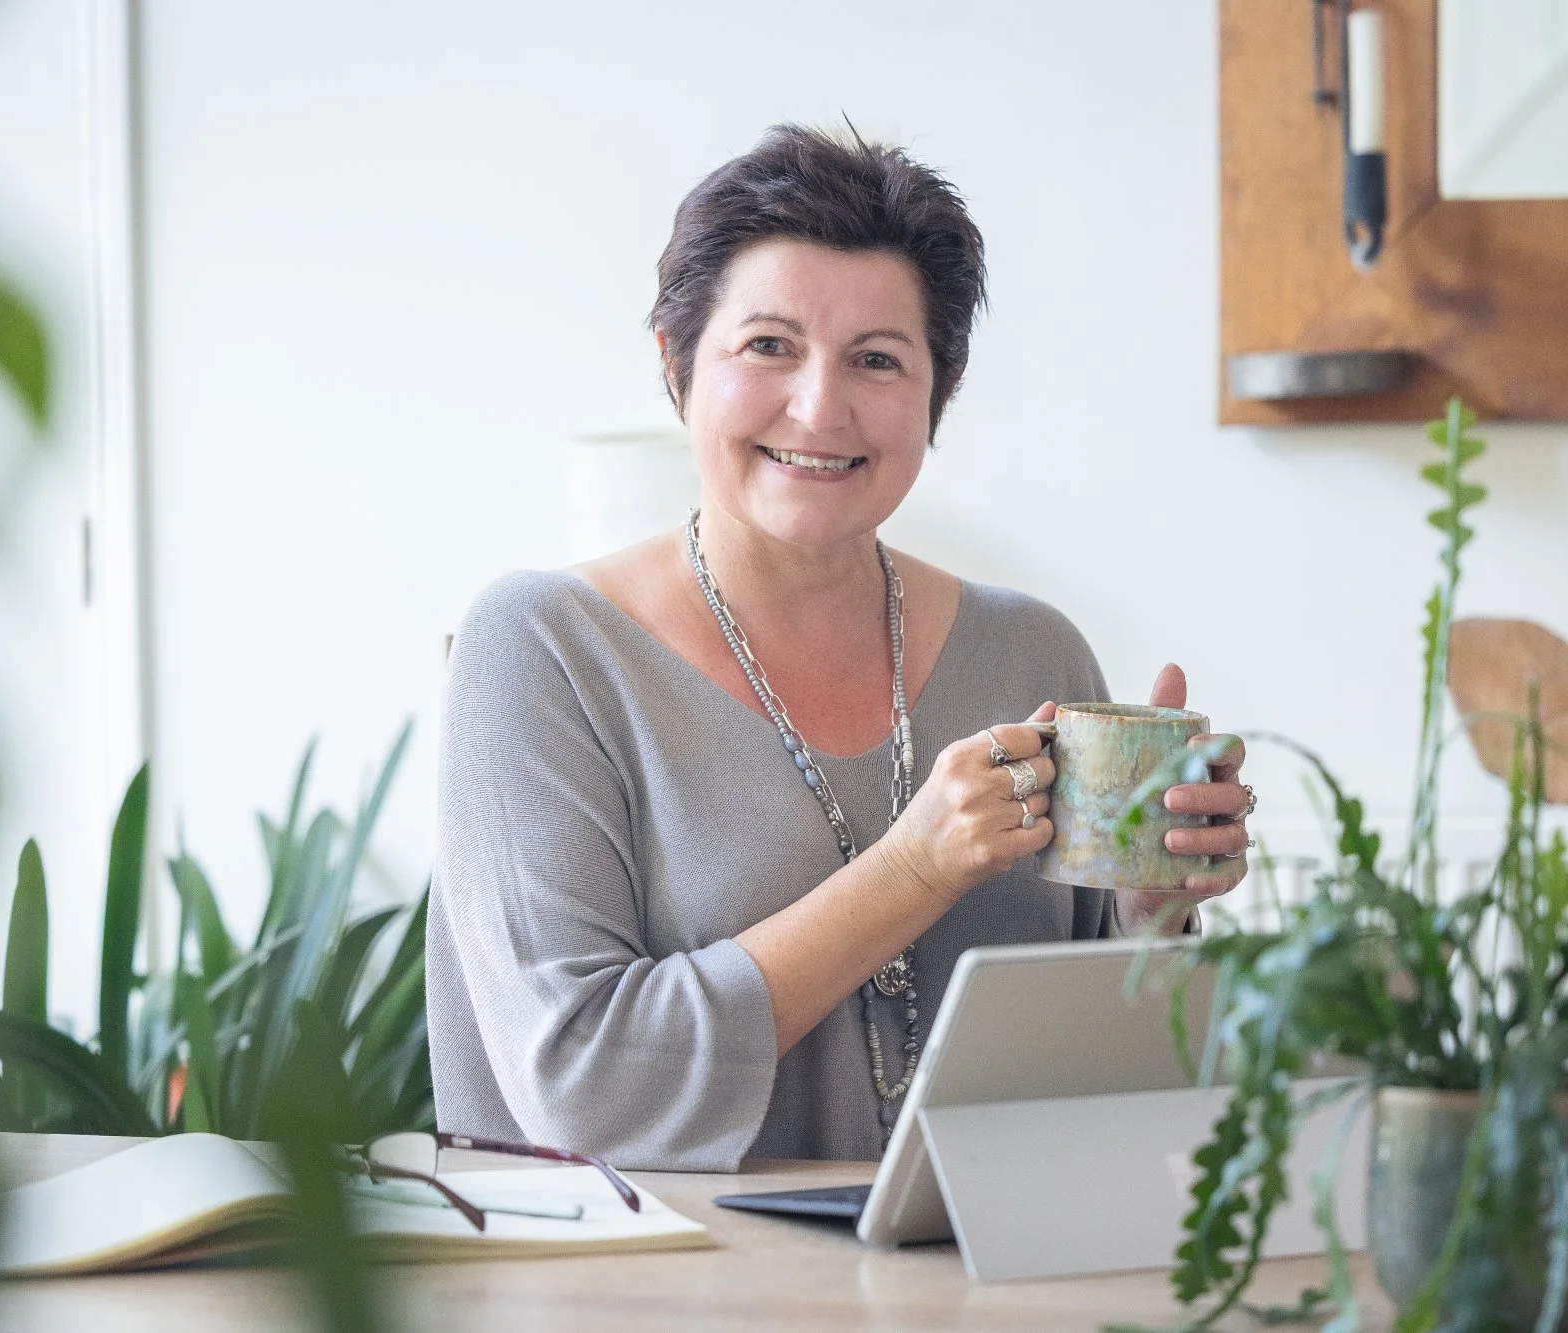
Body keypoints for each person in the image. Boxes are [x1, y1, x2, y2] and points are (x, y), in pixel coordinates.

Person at [426, 125, 1251, 1171]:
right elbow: (586, 1089)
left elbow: (1104, 1094)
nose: (819, 407)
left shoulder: (1033, 654)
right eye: (767, 345)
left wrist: (1151, 916)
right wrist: (914, 866)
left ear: (935, 394)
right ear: (675, 364)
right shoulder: (540, 648)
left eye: (876, 360)